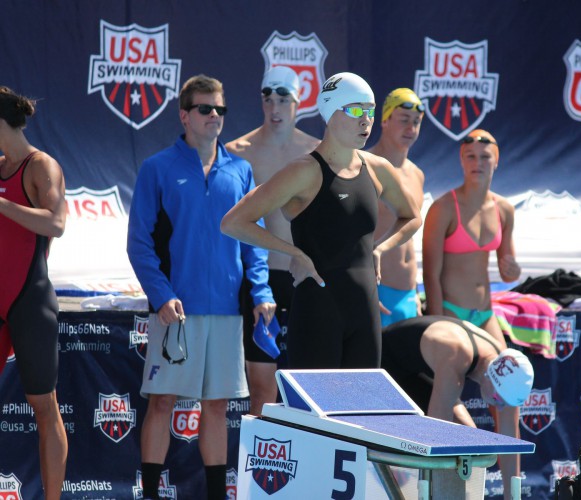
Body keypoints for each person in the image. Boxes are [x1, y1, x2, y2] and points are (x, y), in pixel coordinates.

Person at [126, 75, 275, 500]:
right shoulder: (157, 168)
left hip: (227, 312)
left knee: (217, 407)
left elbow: (255, 241)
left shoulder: (241, 171)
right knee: (162, 401)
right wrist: (161, 295)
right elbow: (139, 244)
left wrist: (261, 292)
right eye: (205, 108)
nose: (214, 116)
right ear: (184, 116)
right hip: (176, 311)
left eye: (220, 109)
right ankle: (150, 494)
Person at [221, 72, 421, 369]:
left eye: (369, 111)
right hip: (317, 311)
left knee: (363, 399)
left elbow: (412, 216)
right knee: (314, 400)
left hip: (365, 313)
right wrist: (294, 252)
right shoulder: (304, 171)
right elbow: (233, 222)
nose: (365, 121)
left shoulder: (377, 168)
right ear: (330, 111)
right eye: (356, 111)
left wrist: (379, 248)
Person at [225, 66, 320, 416]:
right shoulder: (238, 152)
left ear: (298, 102)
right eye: (268, 99)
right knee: (262, 387)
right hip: (258, 280)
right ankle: (260, 453)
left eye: (283, 99)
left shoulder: (316, 151)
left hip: (302, 277)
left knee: (307, 386)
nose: (275, 108)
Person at [381, 315, 534, 500]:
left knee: (469, 440)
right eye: (497, 400)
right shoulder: (456, 359)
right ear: (489, 377)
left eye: (505, 403)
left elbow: (510, 437)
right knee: (449, 444)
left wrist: (512, 496)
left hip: (415, 368)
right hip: (383, 363)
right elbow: (435, 437)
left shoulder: (506, 365)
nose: (499, 407)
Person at [0, 86, 68, 500]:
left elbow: (56, 223)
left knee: (44, 407)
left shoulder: (41, 165)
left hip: (29, 298)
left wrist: (2, 205)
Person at [422, 128, 521, 342]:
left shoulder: (504, 209)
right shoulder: (443, 208)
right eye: (471, 156)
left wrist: (514, 270)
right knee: (458, 364)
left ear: (496, 160)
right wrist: (437, 322)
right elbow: (430, 275)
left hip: (485, 313)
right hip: (450, 311)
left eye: (485, 157)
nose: (478, 163)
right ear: (461, 160)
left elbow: (508, 275)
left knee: (504, 363)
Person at [368, 88, 426, 326]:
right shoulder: (365, 167)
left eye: (416, 122)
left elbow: (409, 238)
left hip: (409, 294)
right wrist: (362, 289)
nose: (411, 128)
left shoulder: (417, 174)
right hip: (376, 290)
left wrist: (416, 293)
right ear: (385, 120)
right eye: (404, 120)